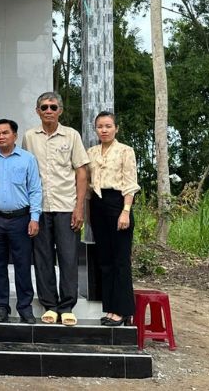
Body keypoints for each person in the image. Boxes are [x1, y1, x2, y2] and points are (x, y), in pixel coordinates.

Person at [22, 92, 89, 326]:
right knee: (42, 257)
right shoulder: (29, 137)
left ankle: (67, 305)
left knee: (68, 257)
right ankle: (49, 305)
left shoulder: (71, 136)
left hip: (65, 206)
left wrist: (79, 207)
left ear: (60, 110)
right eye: (44, 107)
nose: (48, 110)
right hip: (39, 208)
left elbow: (82, 171)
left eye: (53, 107)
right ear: (37, 110)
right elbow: (26, 171)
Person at [86, 111, 140, 326]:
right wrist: (89, 215)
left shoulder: (125, 151)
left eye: (108, 126)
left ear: (116, 128)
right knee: (105, 260)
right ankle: (109, 307)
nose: (104, 130)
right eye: (100, 126)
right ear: (96, 129)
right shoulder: (91, 152)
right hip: (97, 205)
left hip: (117, 202)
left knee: (120, 260)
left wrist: (125, 211)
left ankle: (123, 310)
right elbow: (88, 186)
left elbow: (130, 183)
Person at [0, 119, 42, 324]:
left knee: (22, 264)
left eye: (5, 133)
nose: (1, 136)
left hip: (21, 219)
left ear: (15, 136)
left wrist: (35, 218)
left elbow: (36, 190)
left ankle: (25, 307)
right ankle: (2, 307)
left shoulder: (27, 159)